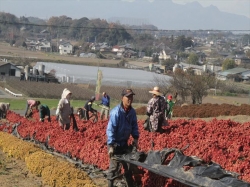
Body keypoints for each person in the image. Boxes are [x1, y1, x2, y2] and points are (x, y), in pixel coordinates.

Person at [106, 88, 139, 187]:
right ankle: (110, 184)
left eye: (131, 97)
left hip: (124, 143)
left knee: (129, 166)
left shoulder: (132, 112)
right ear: (122, 98)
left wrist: (136, 138)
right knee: (114, 168)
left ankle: (130, 184)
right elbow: (110, 129)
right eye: (128, 97)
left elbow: (134, 126)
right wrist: (111, 145)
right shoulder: (116, 112)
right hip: (115, 144)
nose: (130, 99)